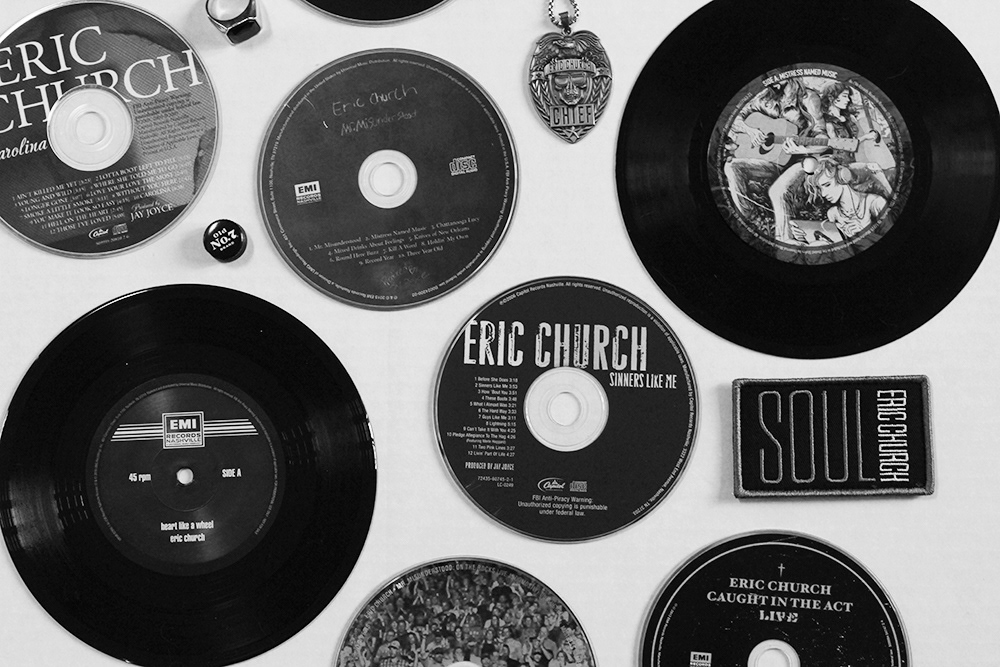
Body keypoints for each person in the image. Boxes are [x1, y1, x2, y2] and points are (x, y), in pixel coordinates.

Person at [803, 156, 887, 241]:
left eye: (827, 185)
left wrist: (864, 234)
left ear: (842, 178)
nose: (823, 194)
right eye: (820, 189)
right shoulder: (833, 213)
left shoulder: (875, 202)